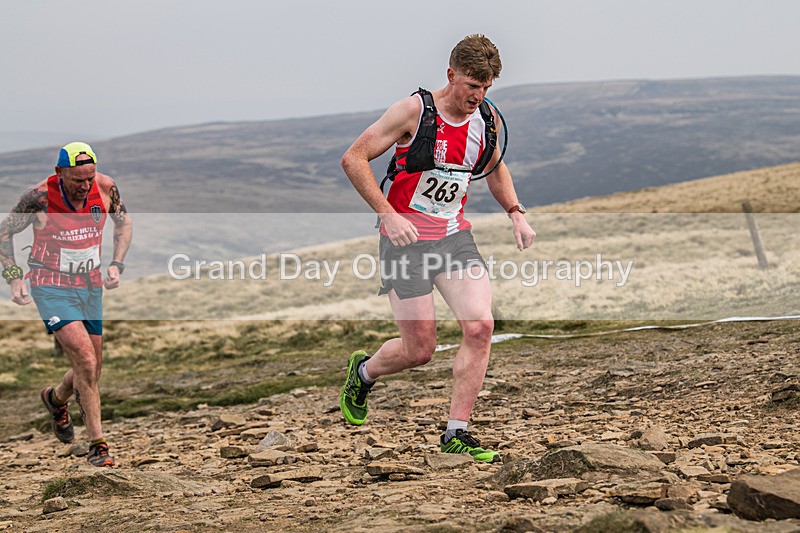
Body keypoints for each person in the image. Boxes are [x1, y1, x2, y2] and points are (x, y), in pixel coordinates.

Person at [339, 35, 535, 462]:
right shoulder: (415, 110)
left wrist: (516, 212)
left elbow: (495, 168)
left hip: (453, 238)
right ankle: (364, 372)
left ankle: (456, 433)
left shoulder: (487, 119)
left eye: (485, 87)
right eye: (470, 85)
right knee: (419, 351)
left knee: (480, 327)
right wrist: (388, 213)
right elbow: (354, 158)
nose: (476, 96)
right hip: (404, 243)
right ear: (451, 75)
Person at [0, 142, 132, 467]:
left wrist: (116, 263)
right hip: (51, 285)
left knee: (92, 370)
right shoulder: (39, 197)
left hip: (89, 285)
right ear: (60, 172)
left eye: (89, 178)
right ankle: (98, 446)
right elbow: (4, 233)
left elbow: (124, 223)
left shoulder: (105, 187)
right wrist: (15, 278)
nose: (85, 186)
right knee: (85, 361)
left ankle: (56, 399)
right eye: (77, 180)